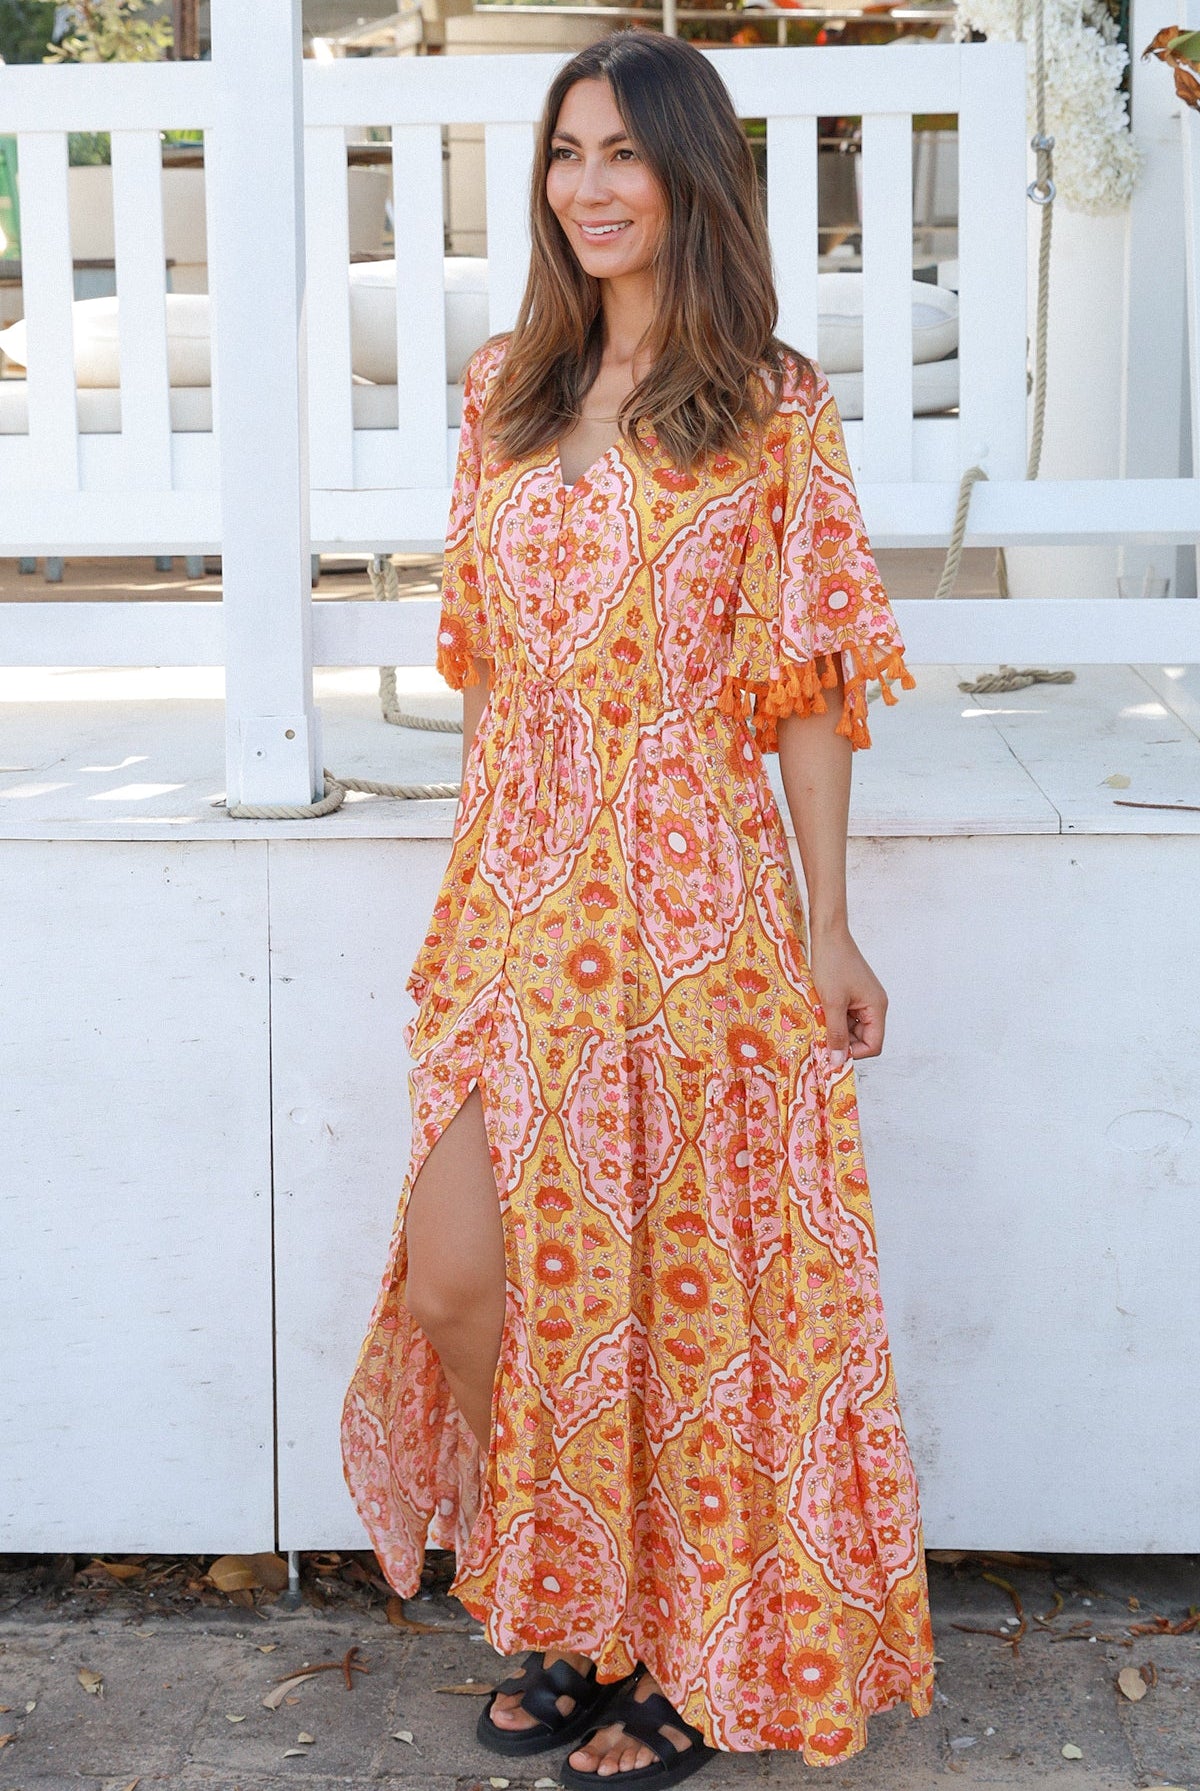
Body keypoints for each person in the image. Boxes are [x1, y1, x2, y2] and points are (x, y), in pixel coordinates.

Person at [341, 28, 934, 1788]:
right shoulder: (497, 390)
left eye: (623, 154)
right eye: (565, 152)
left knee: (696, 1299)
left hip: (702, 907)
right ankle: (574, 1593)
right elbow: (488, 678)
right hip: (521, 899)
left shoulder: (770, 404)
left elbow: (812, 687)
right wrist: (473, 900)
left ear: (691, 176)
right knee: (470, 1279)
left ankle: (675, 1649)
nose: (588, 186)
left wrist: (829, 922)